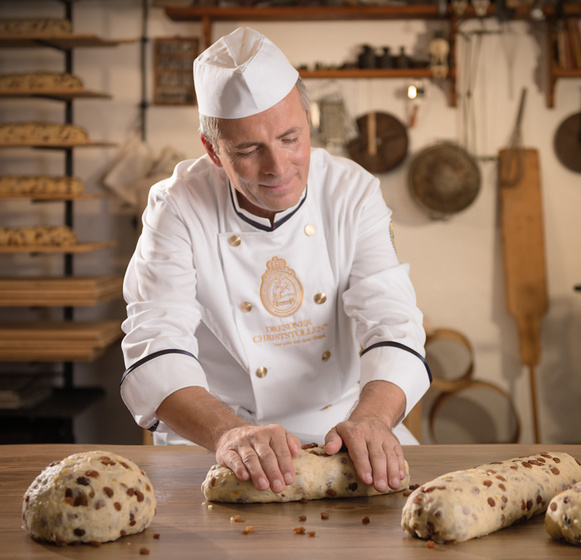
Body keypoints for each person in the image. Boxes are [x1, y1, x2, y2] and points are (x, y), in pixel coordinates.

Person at [120, 27, 430, 495]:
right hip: (219, 444)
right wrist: (228, 434)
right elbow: (155, 343)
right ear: (213, 151)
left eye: (290, 138)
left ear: (308, 121)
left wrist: (371, 419)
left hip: (344, 435)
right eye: (248, 150)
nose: (279, 168)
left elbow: (392, 320)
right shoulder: (176, 205)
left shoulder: (351, 191)